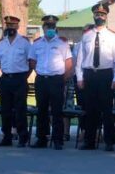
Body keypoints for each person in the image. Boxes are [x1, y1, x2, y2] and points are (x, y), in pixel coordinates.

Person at [76, 3, 115, 152]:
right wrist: (79, 77)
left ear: (106, 17)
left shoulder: (112, 36)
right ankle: (89, 141)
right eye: (97, 14)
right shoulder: (87, 36)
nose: (100, 17)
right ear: (94, 16)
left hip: (105, 75)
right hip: (90, 75)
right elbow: (80, 59)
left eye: (102, 14)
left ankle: (109, 142)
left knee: (107, 110)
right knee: (90, 110)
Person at [28, 15, 72, 150]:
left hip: (56, 80)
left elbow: (69, 64)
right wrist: (41, 71)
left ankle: (58, 140)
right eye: (48, 27)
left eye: (53, 27)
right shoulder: (37, 44)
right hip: (42, 80)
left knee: (57, 111)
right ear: (44, 28)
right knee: (41, 110)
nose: (50, 29)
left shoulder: (62, 44)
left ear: (55, 28)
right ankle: (42, 138)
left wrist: (61, 79)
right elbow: (32, 61)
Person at [0, 16, 31, 147]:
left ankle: (22, 137)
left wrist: (24, 77)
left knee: (20, 110)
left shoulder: (25, 43)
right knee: (6, 110)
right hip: (5, 79)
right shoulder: (1, 43)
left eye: (13, 25)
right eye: (8, 25)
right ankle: (7, 137)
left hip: (20, 79)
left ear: (17, 27)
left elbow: (31, 62)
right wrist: (2, 76)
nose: (10, 28)